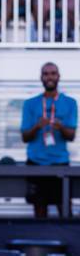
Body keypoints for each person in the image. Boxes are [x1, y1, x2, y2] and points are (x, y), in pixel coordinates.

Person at [21, 62, 77, 218]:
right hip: (36, 162)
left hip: (60, 163)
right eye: (46, 74)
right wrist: (37, 126)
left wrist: (60, 127)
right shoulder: (29, 104)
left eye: (53, 73)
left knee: (65, 209)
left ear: (58, 77)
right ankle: (39, 241)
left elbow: (71, 136)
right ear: (41, 78)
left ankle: (69, 241)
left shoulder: (70, 103)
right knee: (39, 210)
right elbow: (25, 137)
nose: (49, 77)